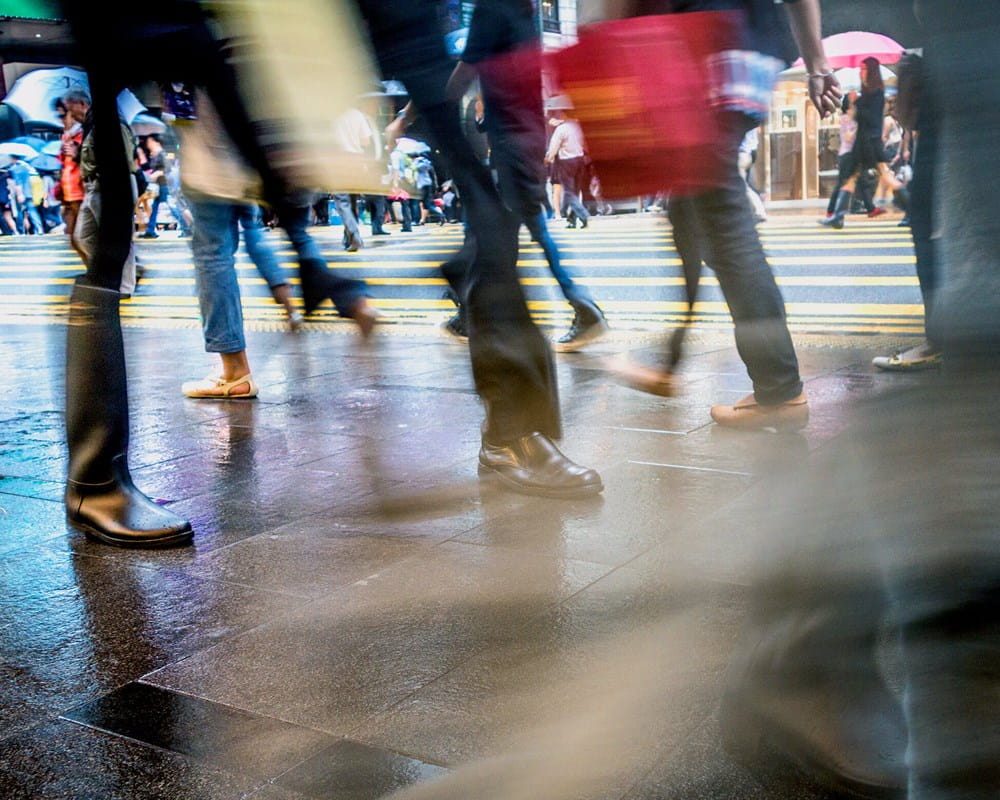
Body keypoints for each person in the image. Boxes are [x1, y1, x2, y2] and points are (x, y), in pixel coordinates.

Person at [363, 0, 602, 498]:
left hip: (505, 140)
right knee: (493, 268)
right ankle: (509, 437)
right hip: (497, 138)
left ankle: (510, 435)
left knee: (495, 264)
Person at [445, 0, 608, 352]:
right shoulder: (524, 12)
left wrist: (420, 110)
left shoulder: (492, 10)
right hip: (526, 139)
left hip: (512, 146)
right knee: (504, 231)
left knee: (508, 231)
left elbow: (463, 74)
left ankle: (581, 305)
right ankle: (475, 313)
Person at [826, 57, 904, 230]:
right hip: (862, 144)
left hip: (871, 143)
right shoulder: (867, 94)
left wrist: (856, 107)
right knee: (849, 179)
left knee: (887, 177)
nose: (862, 72)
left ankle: (911, 210)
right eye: (860, 69)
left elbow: (870, 120)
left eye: (864, 69)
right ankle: (837, 216)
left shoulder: (876, 94)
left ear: (872, 72)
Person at [544, 107, 590, 229]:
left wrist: (547, 159)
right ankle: (572, 220)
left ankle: (583, 214)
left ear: (563, 114)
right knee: (574, 191)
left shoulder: (561, 129)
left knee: (569, 193)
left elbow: (553, 149)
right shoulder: (579, 127)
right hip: (580, 161)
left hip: (566, 162)